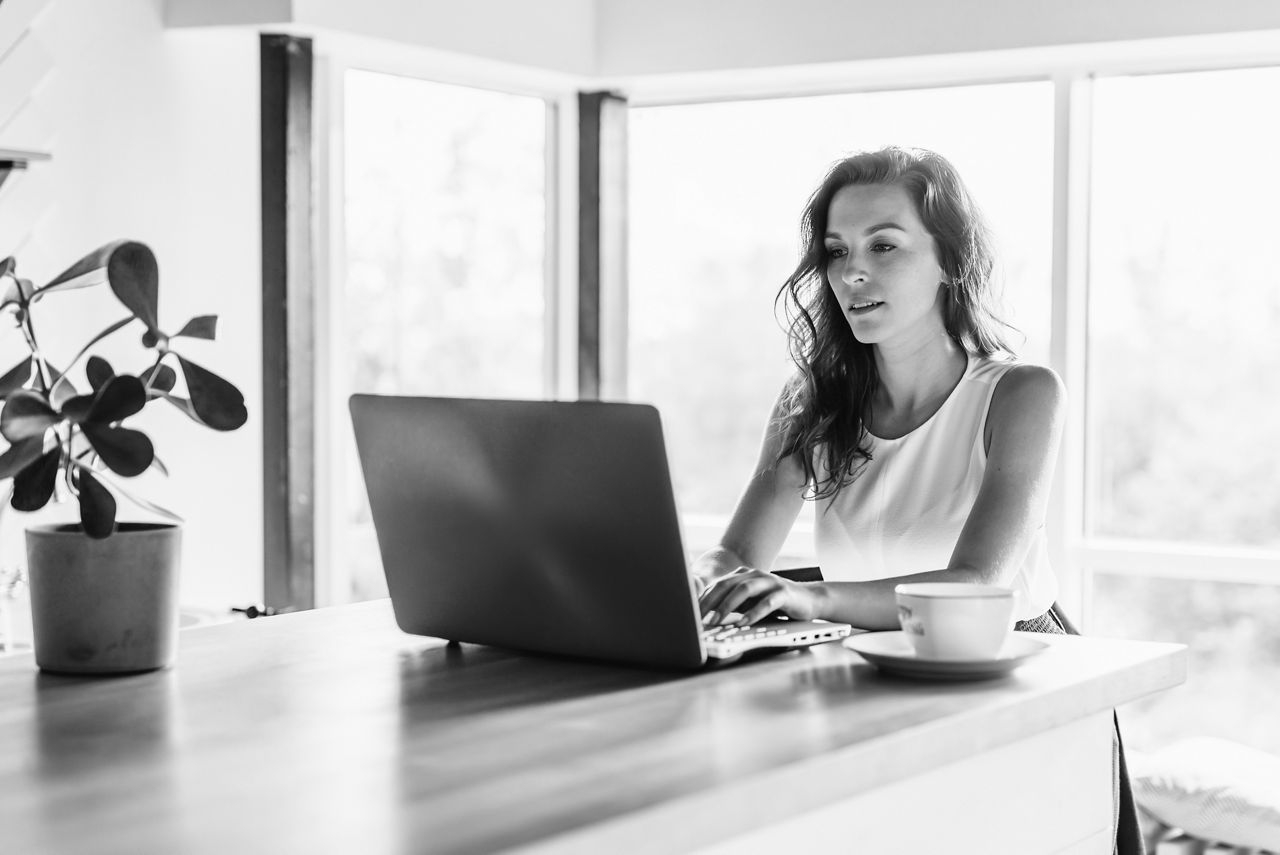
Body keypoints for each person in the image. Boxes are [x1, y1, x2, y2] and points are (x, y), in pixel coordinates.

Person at [692, 146, 1143, 854]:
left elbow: (977, 585)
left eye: (885, 245)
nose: (852, 271)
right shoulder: (808, 402)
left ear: (948, 259)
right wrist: (691, 578)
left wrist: (814, 598)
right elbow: (736, 554)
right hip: (871, 674)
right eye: (836, 250)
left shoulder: (1021, 393)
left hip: (1017, 678)